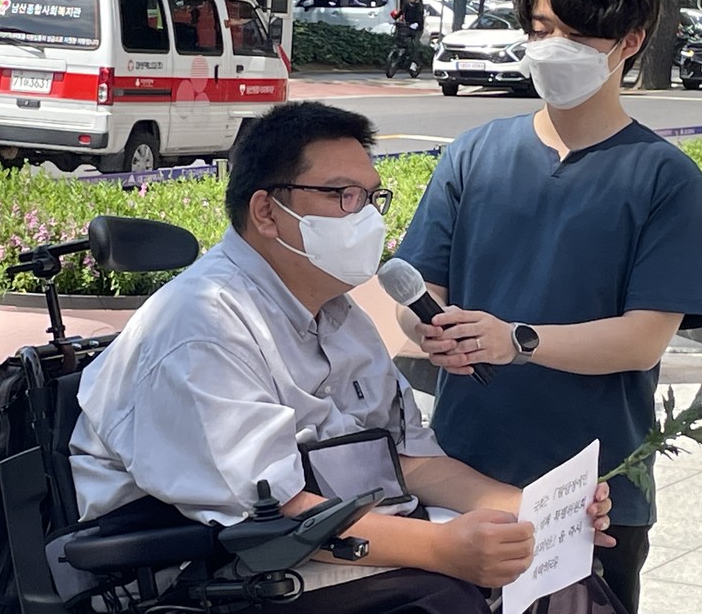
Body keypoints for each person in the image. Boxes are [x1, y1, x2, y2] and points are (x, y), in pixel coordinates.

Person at [70, 100, 624, 614]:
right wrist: (442, 547)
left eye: (371, 197)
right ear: (266, 211)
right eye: (343, 196)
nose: (366, 218)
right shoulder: (203, 328)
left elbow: (411, 460)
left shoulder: (337, 312)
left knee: (565, 583)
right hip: (209, 565)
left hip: (329, 539)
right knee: (444, 597)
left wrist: (532, 512)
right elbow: (273, 518)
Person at [392, 0, 702, 614]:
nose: (552, 48)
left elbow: (644, 340)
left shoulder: (666, 179)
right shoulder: (476, 153)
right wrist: (430, 330)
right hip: (463, 476)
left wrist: (518, 340)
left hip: (596, 494)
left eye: (576, 34)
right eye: (540, 31)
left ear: (631, 40)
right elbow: (420, 291)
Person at [392, 0, 425, 72]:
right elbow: (400, 13)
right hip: (407, 26)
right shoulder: (406, 5)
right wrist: (395, 16)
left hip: (417, 29)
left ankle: (415, 62)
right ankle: (401, 53)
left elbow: (420, 19)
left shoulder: (419, 7)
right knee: (400, 37)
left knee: (414, 44)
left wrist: (416, 24)